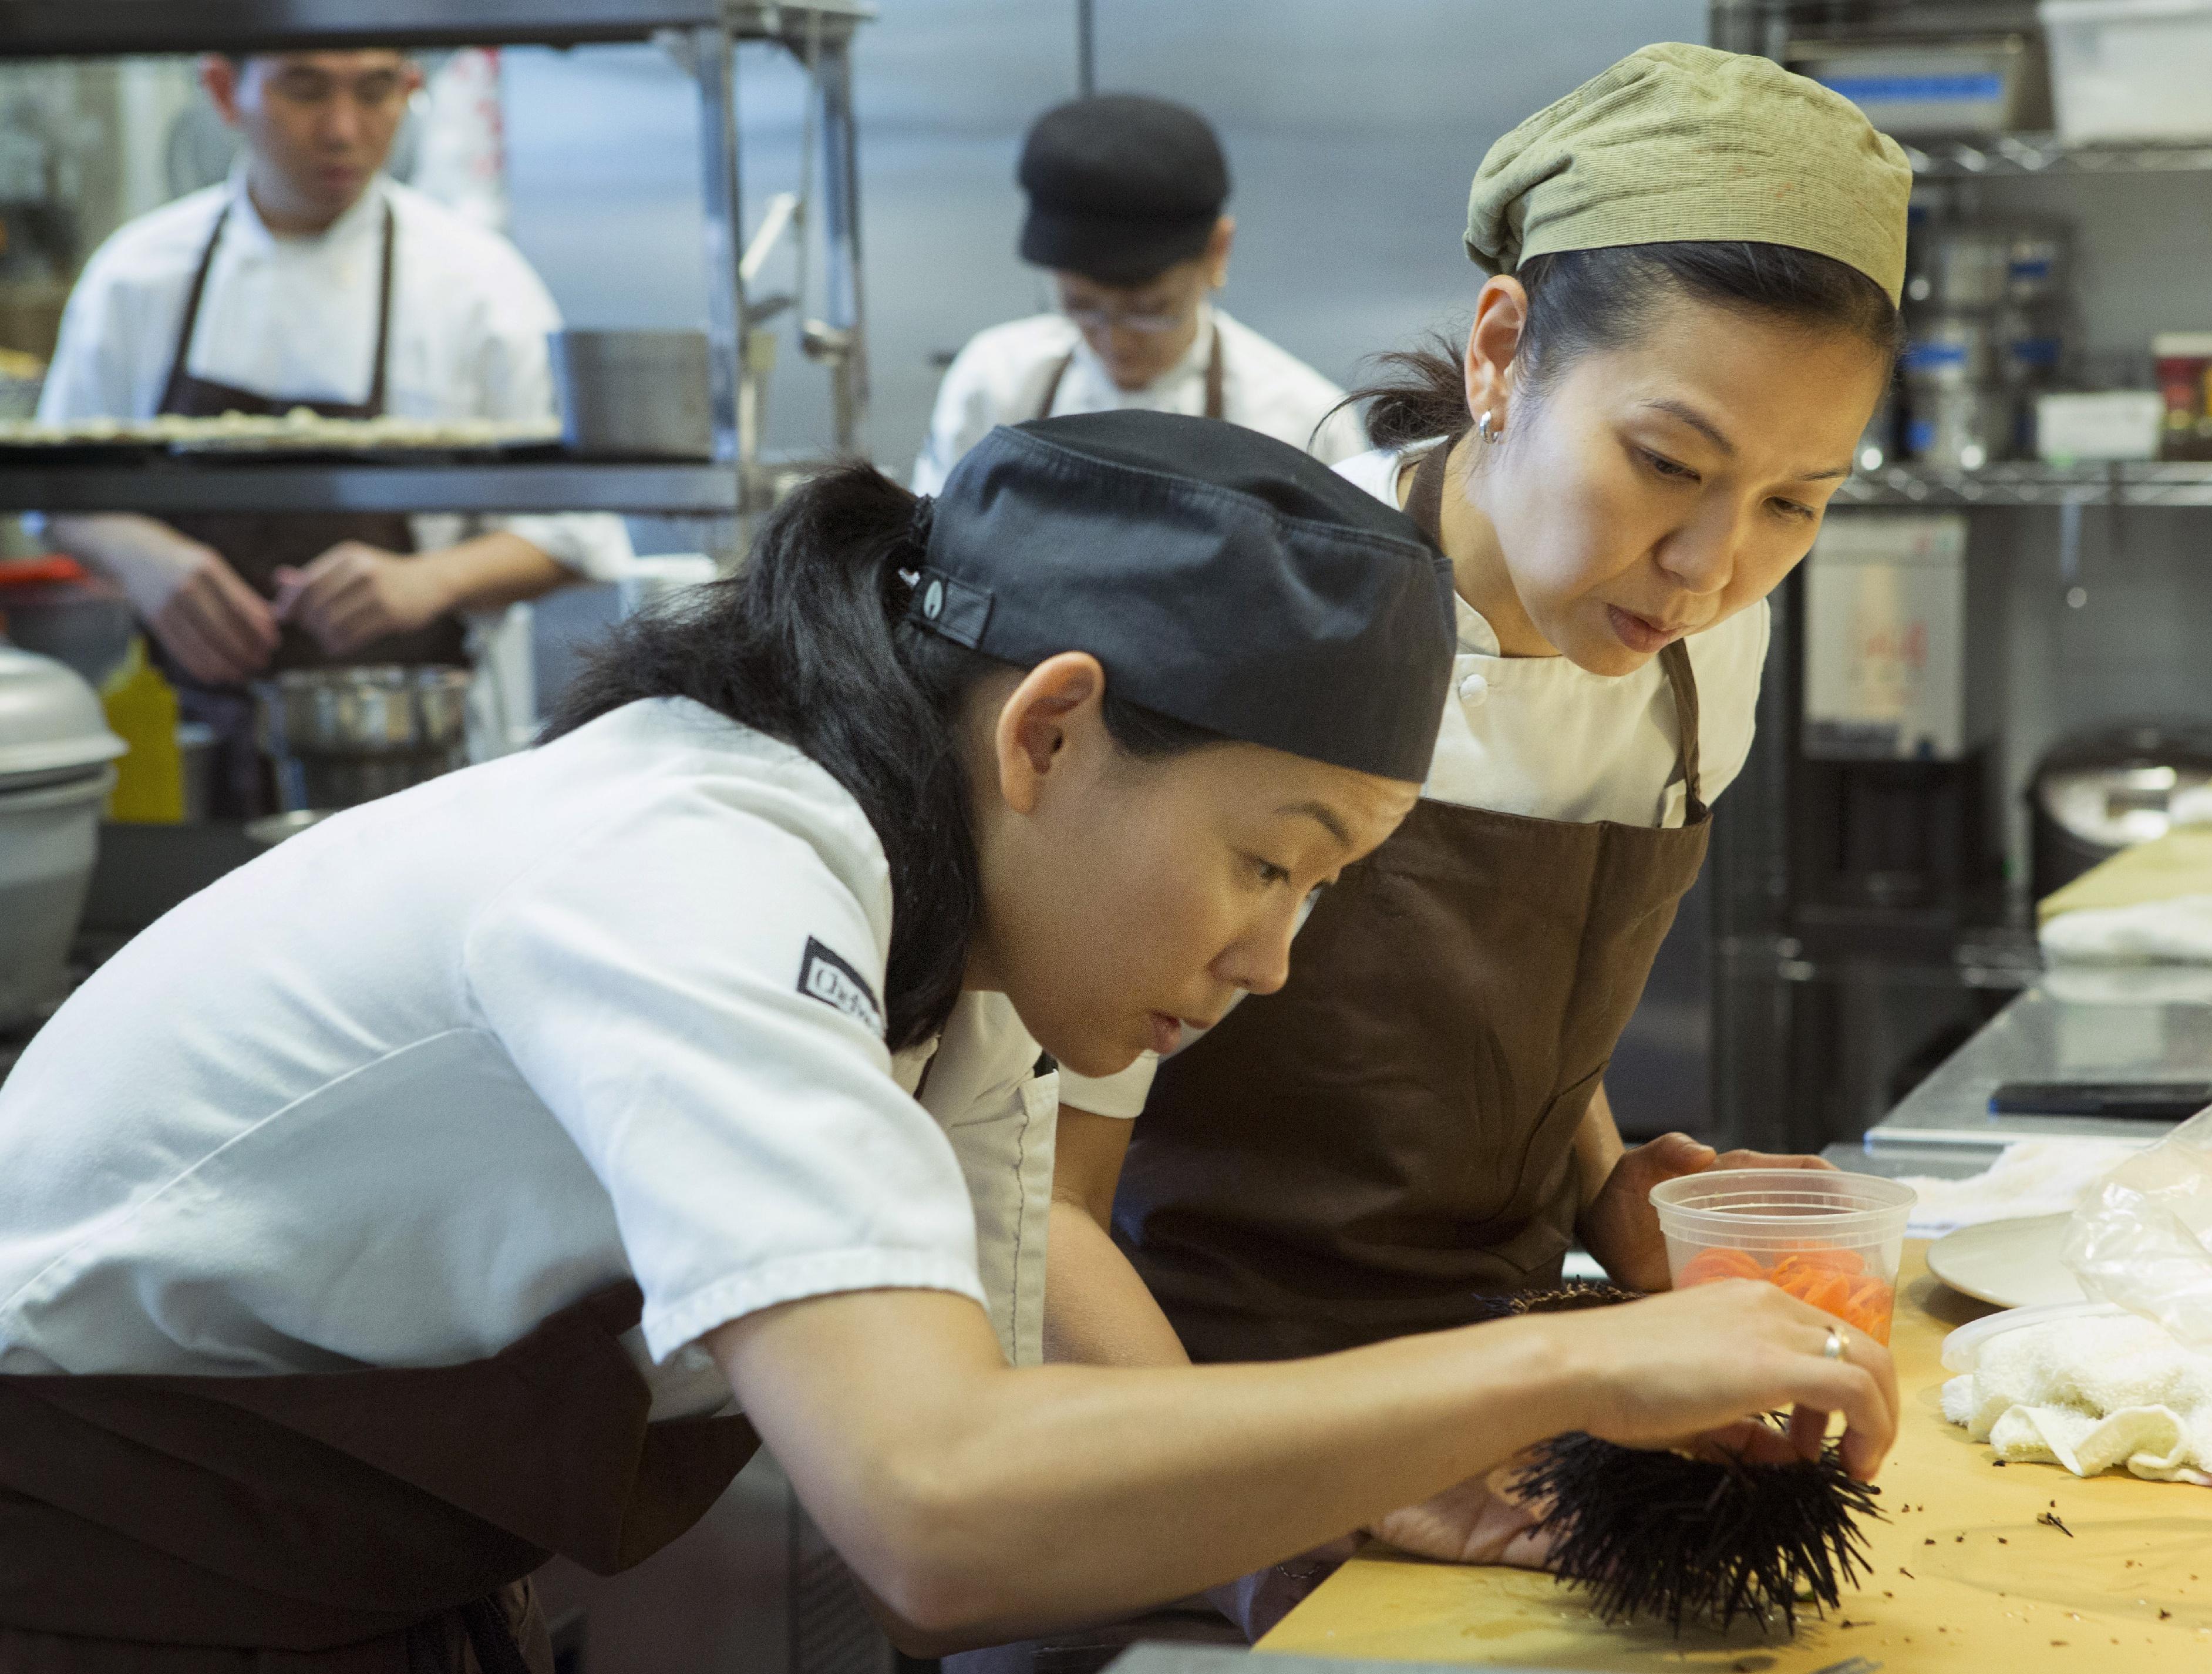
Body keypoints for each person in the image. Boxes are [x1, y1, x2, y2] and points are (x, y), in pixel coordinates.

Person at [0, 411, 1897, 1670]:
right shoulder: (690, 877)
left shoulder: (955, 954)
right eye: (1266, 864)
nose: (1270, 963)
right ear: (1048, 731)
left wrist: (1362, 1484)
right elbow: (936, 1507)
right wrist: (1555, 1378)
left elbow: (1025, 1433)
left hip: (341, 1595)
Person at [1039, 41, 1914, 1639]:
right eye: (1664, 464)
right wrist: (1300, 1473)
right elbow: (1029, 1195)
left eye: (1797, 501)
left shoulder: (1694, 643)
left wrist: (1604, 1195)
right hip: (1172, 1435)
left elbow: (1497, 1014)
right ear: (1502, 349)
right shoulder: (1261, 626)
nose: (1712, 563)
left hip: (1496, 1425)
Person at [35, 48, 630, 811]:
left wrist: (430, 580)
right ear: (224, 89)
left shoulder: (479, 286)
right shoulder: (138, 277)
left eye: (376, 91)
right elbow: (55, 492)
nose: (344, 130)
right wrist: (144, 554)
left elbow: (580, 532)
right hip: (185, 762)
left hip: (423, 768)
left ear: (411, 89)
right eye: (305, 89)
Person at [910, 94, 1366, 492]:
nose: (1116, 343)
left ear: (1216, 252)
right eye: (1082, 308)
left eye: (1150, 311)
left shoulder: (1306, 422)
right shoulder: (996, 382)